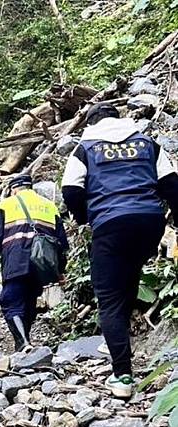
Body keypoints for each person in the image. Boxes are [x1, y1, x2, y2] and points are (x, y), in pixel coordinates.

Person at [62, 102, 178, 398]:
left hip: (110, 223)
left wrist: (85, 217)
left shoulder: (84, 147)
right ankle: (115, 340)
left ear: (91, 123)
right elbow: (171, 183)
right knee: (128, 277)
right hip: (149, 222)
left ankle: (122, 376)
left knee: (109, 296)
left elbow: (71, 190)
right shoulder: (146, 143)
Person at [0, 174, 69, 352]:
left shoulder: (6, 204)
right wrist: (60, 270)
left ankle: (23, 343)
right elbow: (61, 243)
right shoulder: (49, 206)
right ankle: (24, 344)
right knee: (29, 301)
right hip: (42, 264)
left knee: (10, 300)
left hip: (16, 260)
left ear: (13, 189)